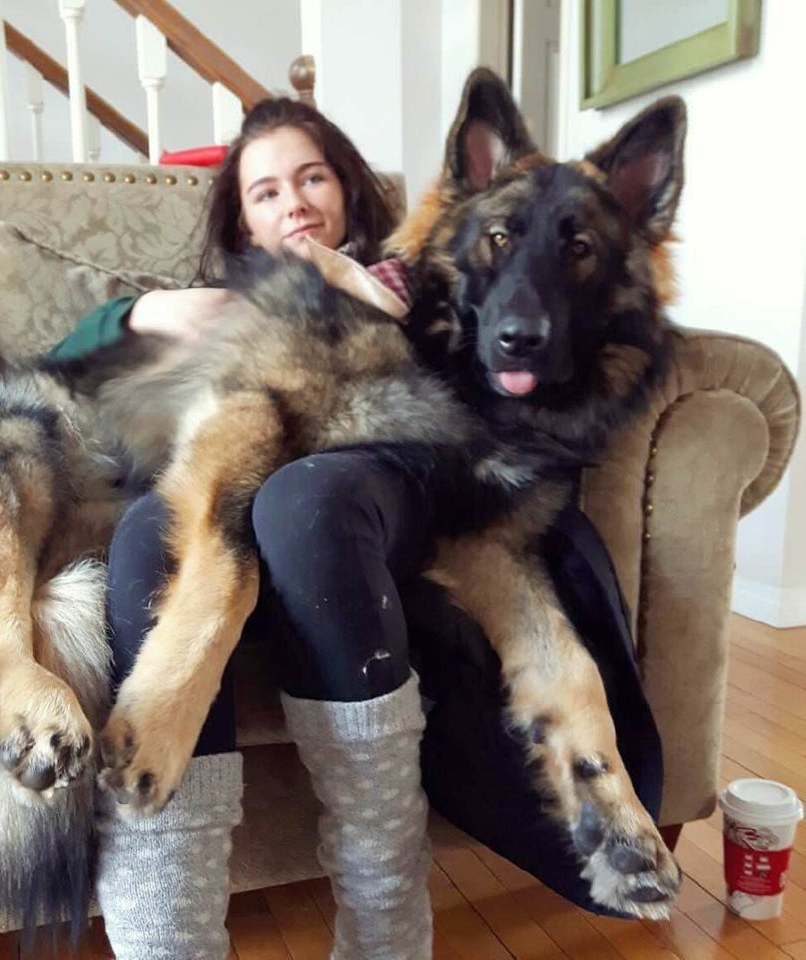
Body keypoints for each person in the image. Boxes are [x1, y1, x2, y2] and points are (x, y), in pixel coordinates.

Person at [48, 97, 663, 960]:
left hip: (356, 510)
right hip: (215, 499)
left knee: (309, 504)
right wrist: (146, 313)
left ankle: (385, 932)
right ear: (240, 222)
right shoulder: (217, 300)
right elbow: (64, 364)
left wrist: (365, 288)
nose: (292, 202)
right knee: (149, 534)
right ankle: (170, 944)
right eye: (264, 192)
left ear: (349, 187)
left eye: (311, 177)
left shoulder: (419, 278)